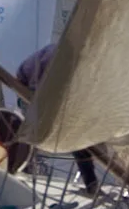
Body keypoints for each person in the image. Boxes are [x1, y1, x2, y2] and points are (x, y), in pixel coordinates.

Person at [16, 41, 99, 195]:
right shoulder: (51, 59)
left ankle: (91, 182)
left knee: (76, 135)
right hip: (28, 85)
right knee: (31, 131)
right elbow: (37, 85)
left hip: (54, 91)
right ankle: (20, 168)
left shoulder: (75, 61)